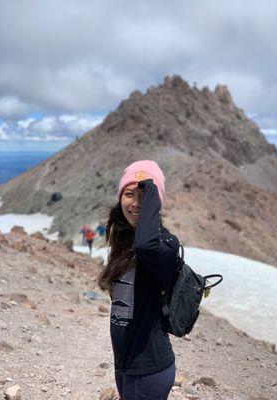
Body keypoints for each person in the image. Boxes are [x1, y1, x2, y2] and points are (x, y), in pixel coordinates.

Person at [98, 160, 179, 400]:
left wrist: (153, 191)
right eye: (129, 194)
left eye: (145, 195)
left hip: (149, 369)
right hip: (126, 363)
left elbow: (146, 244)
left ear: (156, 200)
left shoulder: (165, 245)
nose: (135, 203)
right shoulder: (124, 243)